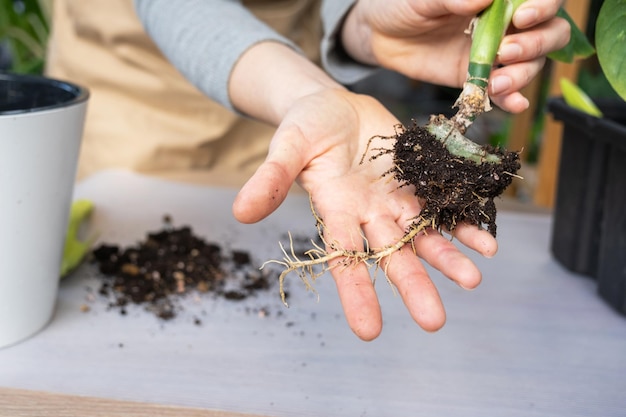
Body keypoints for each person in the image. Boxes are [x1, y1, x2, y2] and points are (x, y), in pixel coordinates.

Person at [46, 0, 570, 340]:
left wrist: (361, 24)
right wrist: (310, 93)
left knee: (258, 294)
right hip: (130, 100)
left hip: (301, 124)